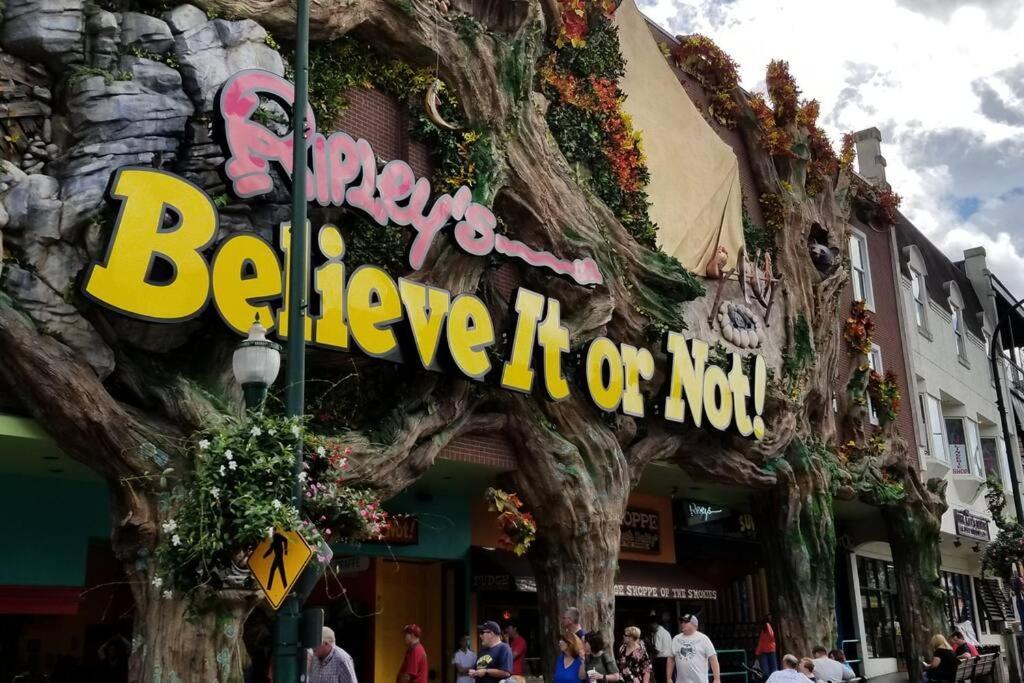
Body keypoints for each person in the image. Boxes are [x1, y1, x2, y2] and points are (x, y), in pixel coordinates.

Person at [667, 614, 720, 683]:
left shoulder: (703, 639)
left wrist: (717, 678)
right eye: (682, 622)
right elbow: (671, 658)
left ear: (694, 624)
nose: (682, 624)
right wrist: (669, 678)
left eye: (685, 622)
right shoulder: (676, 639)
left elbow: (713, 659)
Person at [650, 616, 673, 683]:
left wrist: (650, 648)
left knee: (660, 679)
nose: (651, 626)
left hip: (661, 660)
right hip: (669, 659)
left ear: (655, 624)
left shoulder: (658, 633)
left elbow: (657, 649)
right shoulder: (667, 632)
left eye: (651, 624)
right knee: (667, 678)